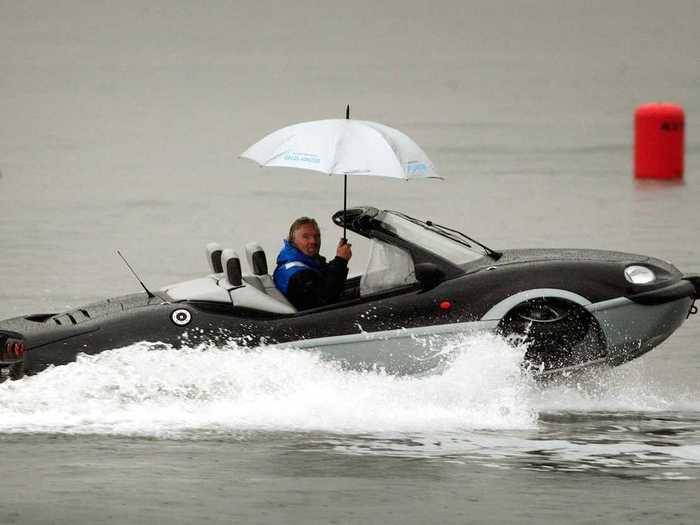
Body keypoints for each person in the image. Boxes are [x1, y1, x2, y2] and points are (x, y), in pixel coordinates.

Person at [273, 217, 352, 310]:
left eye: (317, 236)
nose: (313, 241)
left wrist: (339, 259)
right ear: (292, 241)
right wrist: (340, 261)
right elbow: (327, 297)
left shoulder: (307, 262)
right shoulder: (296, 273)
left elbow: (325, 277)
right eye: (306, 237)